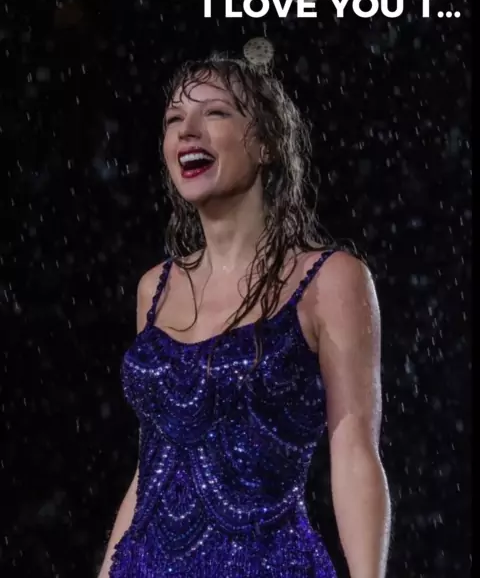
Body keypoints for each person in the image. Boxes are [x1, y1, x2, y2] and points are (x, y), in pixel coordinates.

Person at [97, 55, 391, 577]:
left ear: (266, 144)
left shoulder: (330, 279)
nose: (187, 130)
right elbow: (153, 468)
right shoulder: (154, 289)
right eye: (173, 119)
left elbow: (353, 453)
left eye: (215, 113)